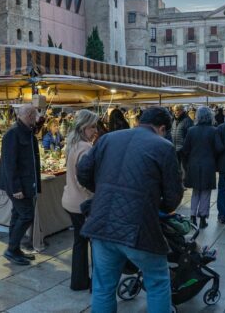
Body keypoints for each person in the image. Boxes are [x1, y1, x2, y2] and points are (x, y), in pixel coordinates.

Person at [77, 106, 183, 313]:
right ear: (162, 128)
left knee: (103, 287)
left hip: (102, 223)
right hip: (138, 227)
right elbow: (173, 196)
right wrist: (157, 206)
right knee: (158, 282)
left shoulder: (108, 139)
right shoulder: (163, 146)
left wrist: (104, 193)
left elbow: (83, 172)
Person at [0, 105, 41, 266]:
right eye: (35, 114)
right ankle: (11, 249)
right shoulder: (13, 134)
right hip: (18, 185)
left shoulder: (27, 132)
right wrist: (16, 188)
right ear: (28, 115)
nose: (37, 118)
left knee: (17, 215)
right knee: (27, 215)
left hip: (27, 183)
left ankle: (14, 249)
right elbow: (9, 164)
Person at [61, 109, 98, 291]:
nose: (95, 131)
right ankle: (88, 282)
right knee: (93, 244)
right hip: (81, 203)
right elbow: (84, 179)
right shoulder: (86, 148)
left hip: (71, 200)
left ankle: (79, 281)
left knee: (80, 242)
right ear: (83, 127)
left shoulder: (73, 144)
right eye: (92, 127)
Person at [181, 106, 219, 228]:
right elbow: (219, 148)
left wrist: (186, 165)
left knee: (196, 192)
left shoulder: (191, 130)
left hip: (194, 164)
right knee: (206, 192)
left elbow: (185, 150)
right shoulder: (214, 130)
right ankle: (202, 218)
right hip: (208, 165)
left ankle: (192, 217)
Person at [171, 105, 193, 181]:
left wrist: (186, 147)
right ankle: (179, 182)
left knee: (185, 166)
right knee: (176, 167)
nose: (175, 112)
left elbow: (190, 135)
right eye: (174, 111)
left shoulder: (187, 120)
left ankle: (186, 181)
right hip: (174, 147)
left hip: (183, 148)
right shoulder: (173, 120)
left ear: (182, 111)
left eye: (177, 110)